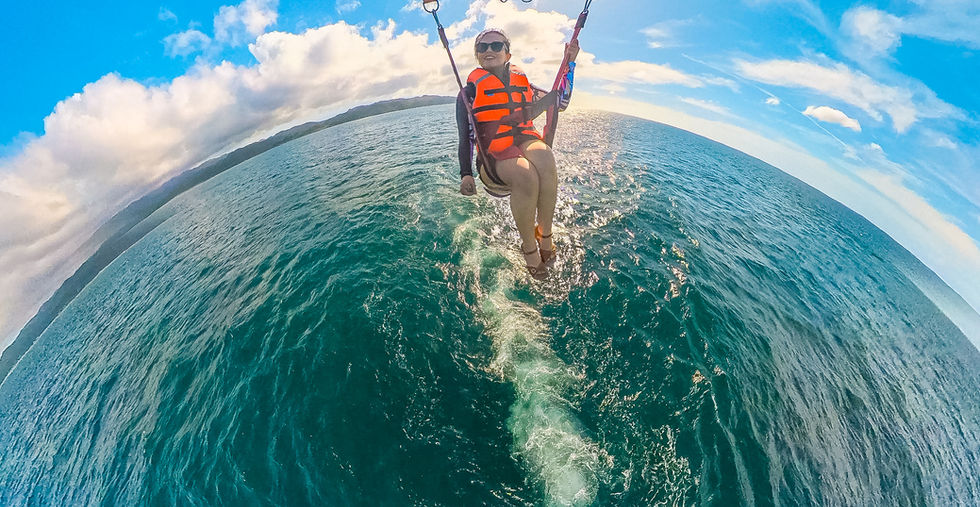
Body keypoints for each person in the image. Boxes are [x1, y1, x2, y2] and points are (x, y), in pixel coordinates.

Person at [456, 28, 579, 280]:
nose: (489, 50)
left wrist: (570, 63)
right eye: (482, 47)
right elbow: (464, 136)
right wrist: (465, 174)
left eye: (496, 45)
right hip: (492, 157)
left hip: (524, 139)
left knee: (544, 156)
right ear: (477, 55)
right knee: (525, 173)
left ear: (507, 53)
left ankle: (545, 234)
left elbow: (560, 102)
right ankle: (529, 248)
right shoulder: (468, 93)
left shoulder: (525, 85)